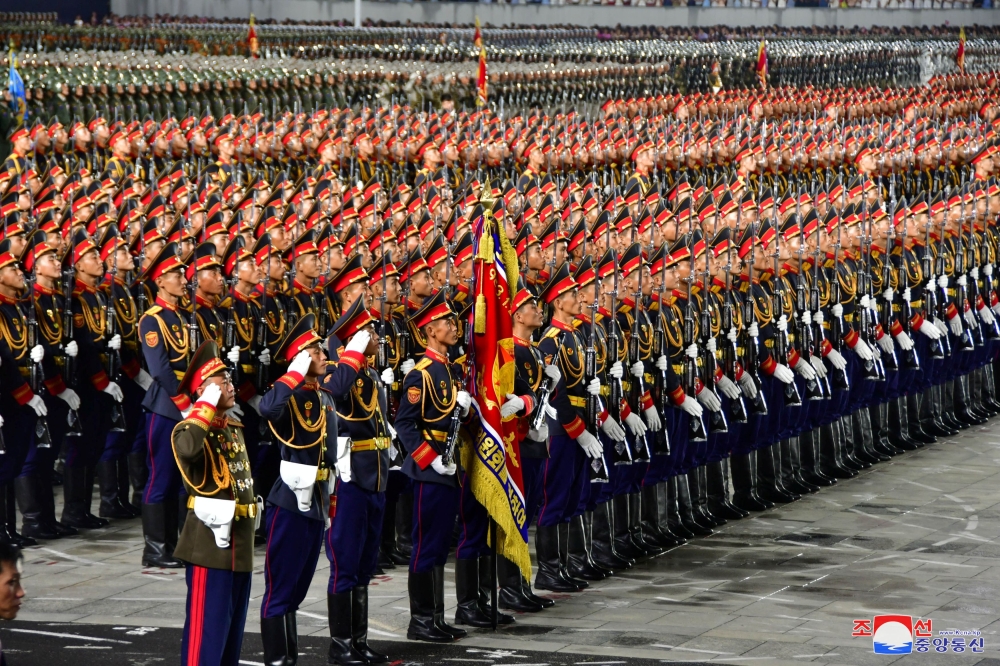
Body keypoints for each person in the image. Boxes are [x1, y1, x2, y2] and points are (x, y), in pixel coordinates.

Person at [258, 313, 343, 666]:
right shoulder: (289, 394)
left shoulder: (323, 396)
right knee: (281, 589)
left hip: (318, 499)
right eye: (316, 352)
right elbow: (267, 408)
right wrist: (292, 374)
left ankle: (288, 658)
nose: (324, 356)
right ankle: (278, 660)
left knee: (297, 589)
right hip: (290, 502)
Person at [173, 341, 256, 666]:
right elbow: (188, 449)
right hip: (209, 548)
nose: (231, 386)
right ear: (205, 391)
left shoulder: (231, 428)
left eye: (230, 380)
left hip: (239, 546)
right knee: (205, 642)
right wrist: (204, 405)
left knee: (230, 643)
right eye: (223, 383)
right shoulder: (190, 430)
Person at [394, 289, 471, 643]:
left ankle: (436, 617)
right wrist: (430, 459)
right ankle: (421, 620)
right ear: (429, 330)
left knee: (440, 545)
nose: (453, 327)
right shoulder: (421, 374)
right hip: (431, 469)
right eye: (446, 323)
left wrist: (463, 411)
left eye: (453, 321)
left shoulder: (450, 369)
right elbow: (405, 424)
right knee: (426, 544)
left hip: (450, 464)